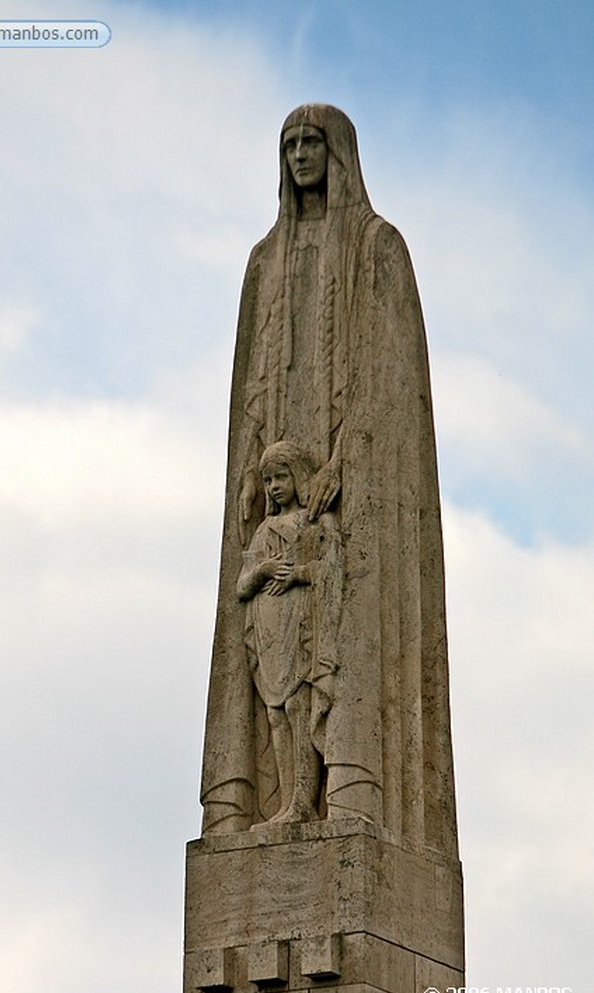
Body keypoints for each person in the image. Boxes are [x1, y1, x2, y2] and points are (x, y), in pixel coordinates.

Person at [200, 105, 458, 861]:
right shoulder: (263, 259)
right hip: (278, 492)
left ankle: (345, 783)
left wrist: (349, 458)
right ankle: (269, 797)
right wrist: (254, 468)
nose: (301, 155)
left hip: (347, 493)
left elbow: (387, 376)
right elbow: (249, 381)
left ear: (339, 154)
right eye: (289, 145)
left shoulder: (376, 247)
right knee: (268, 665)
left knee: (339, 647)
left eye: (313, 143)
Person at [236, 441, 342, 825]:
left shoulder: (314, 523)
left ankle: (304, 801)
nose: (274, 486)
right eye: (267, 480)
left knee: (299, 708)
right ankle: (286, 802)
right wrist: (263, 571)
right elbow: (241, 586)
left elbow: (331, 570)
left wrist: (297, 573)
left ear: (297, 476)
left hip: (300, 630)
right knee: (276, 715)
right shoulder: (265, 529)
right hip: (268, 634)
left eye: (281, 477)